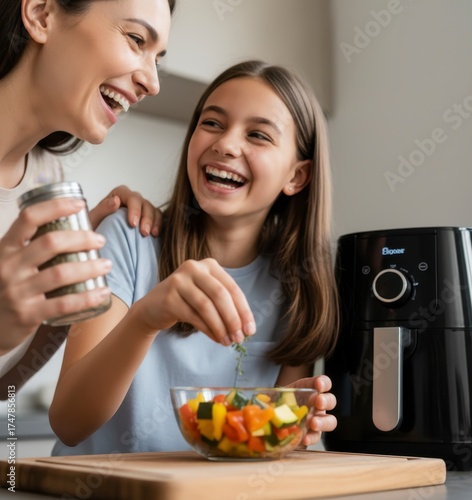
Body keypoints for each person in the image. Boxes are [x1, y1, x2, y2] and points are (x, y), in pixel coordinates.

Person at [49, 59, 339, 455]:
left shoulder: (295, 284)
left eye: (257, 135)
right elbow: (69, 423)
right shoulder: (128, 238)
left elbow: (260, 455)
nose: (226, 143)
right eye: (213, 123)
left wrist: (290, 428)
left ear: (297, 177)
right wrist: (147, 318)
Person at [0, 0, 176, 393]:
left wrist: (67, 288)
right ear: (42, 14)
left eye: (157, 59)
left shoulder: (48, 182)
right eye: (135, 39)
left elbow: (5, 387)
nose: (153, 82)